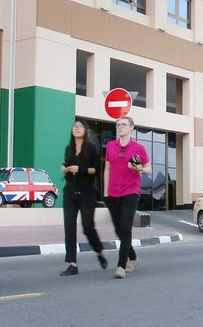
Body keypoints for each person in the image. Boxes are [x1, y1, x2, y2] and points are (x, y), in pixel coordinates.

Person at [102, 116, 150, 278]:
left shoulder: (138, 148)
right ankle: (133, 256)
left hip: (131, 192)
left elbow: (148, 168)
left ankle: (121, 266)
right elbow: (107, 168)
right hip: (112, 193)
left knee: (125, 227)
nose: (120, 127)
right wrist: (105, 191)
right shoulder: (110, 146)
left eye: (123, 124)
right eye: (118, 125)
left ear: (131, 128)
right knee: (118, 229)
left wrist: (140, 168)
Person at [60, 118, 107, 276]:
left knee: (88, 228)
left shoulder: (91, 148)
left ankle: (99, 251)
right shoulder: (69, 148)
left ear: (85, 131)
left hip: (87, 193)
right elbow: (67, 164)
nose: (77, 128)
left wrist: (80, 169)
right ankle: (72, 264)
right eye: (75, 126)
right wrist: (65, 168)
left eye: (80, 126)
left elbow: (96, 169)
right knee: (69, 227)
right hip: (70, 193)